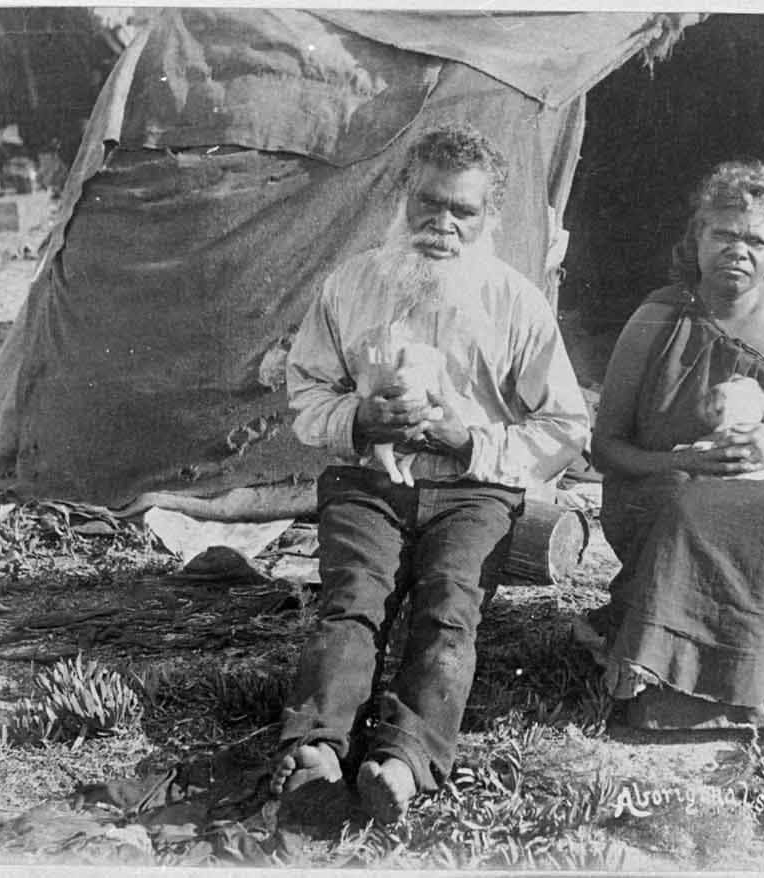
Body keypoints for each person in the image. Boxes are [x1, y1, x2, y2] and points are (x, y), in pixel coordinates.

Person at [270, 123, 590, 821]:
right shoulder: (349, 287)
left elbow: (565, 426)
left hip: (475, 489)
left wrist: (468, 440)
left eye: (462, 211)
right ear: (402, 201)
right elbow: (306, 397)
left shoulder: (515, 302)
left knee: (448, 608)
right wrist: (358, 419)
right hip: (371, 482)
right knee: (354, 597)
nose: (441, 225)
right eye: (428, 204)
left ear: (489, 221)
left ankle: (406, 758)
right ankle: (321, 745)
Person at [590, 160, 764, 729]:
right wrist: (683, 460)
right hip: (671, 482)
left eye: (756, 240)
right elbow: (607, 446)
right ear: (696, 239)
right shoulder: (657, 317)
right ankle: (667, 685)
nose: (738, 250)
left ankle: (753, 680)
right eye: (723, 234)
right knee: (688, 504)